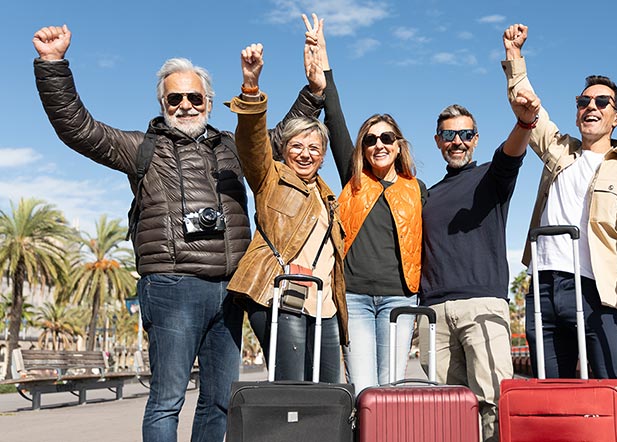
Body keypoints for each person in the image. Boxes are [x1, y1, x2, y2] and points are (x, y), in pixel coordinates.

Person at [32, 25, 325, 442]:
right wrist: (52, 65)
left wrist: (313, 92)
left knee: (220, 400)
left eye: (194, 97)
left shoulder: (230, 145)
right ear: (162, 103)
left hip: (229, 288)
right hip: (172, 286)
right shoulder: (140, 148)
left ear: (208, 101)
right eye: (175, 98)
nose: (185, 105)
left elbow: (278, 138)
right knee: (168, 399)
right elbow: (78, 128)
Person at [502, 23, 617, 441]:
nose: (591, 107)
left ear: (616, 117)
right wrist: (514, 57)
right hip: (543, 288)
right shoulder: (557, 148)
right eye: (584, 101)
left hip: (595, 292)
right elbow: (528, 106)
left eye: (602, 102)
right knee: (555, 392)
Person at [417, 45, 540, 440]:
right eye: (449, 135)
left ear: (475, 138)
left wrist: (523, 124)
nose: (458, 141)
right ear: (438, 141)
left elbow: (510, 157)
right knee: (442, 408)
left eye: (465, 134)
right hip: (432, 311)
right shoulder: (427, 195)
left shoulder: (491, 179)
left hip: (482, 305)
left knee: (492, 401)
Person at [300, 14, 425, 393]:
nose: (379, 145)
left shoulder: (417, 189)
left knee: (392, 387)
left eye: (387, 137)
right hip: (354, 297)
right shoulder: (353, 181)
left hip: (399, 298)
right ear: (362, 148)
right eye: (370, 140)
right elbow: (335, 119)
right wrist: (324, 68)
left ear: (399, 143)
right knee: (363, 389)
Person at [226, 41, 348, 384]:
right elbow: (251, 143)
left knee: (327, 392)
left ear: (323, 156)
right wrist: (251, 88)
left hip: (323, 306)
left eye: (314, 148)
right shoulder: (271, 176)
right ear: (283, 149)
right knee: (291, 390)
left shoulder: (328, 196)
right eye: (296, 146)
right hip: (278, 297)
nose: (305, 154)